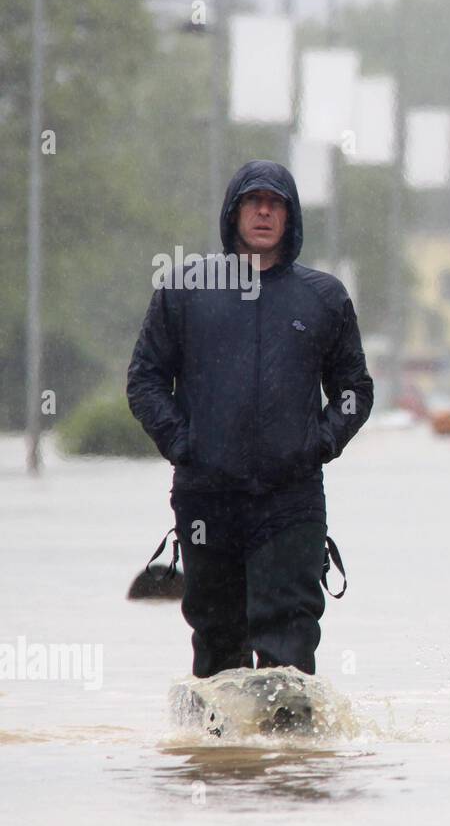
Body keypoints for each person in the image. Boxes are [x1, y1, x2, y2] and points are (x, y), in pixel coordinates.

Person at [127, 160, 373, 678]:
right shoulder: (186, 291)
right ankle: (220, 757)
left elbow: (354, 391)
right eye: (253, 201)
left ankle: (290, 755)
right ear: (234, 212)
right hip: (205, 498)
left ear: (291, 216)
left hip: (291, 501)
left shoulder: (324, 298)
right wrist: (182, 443)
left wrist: (319, 442)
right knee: (217, 648)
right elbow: (146, 380)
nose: (264, 211)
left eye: (276, 202)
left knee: (289, 645)